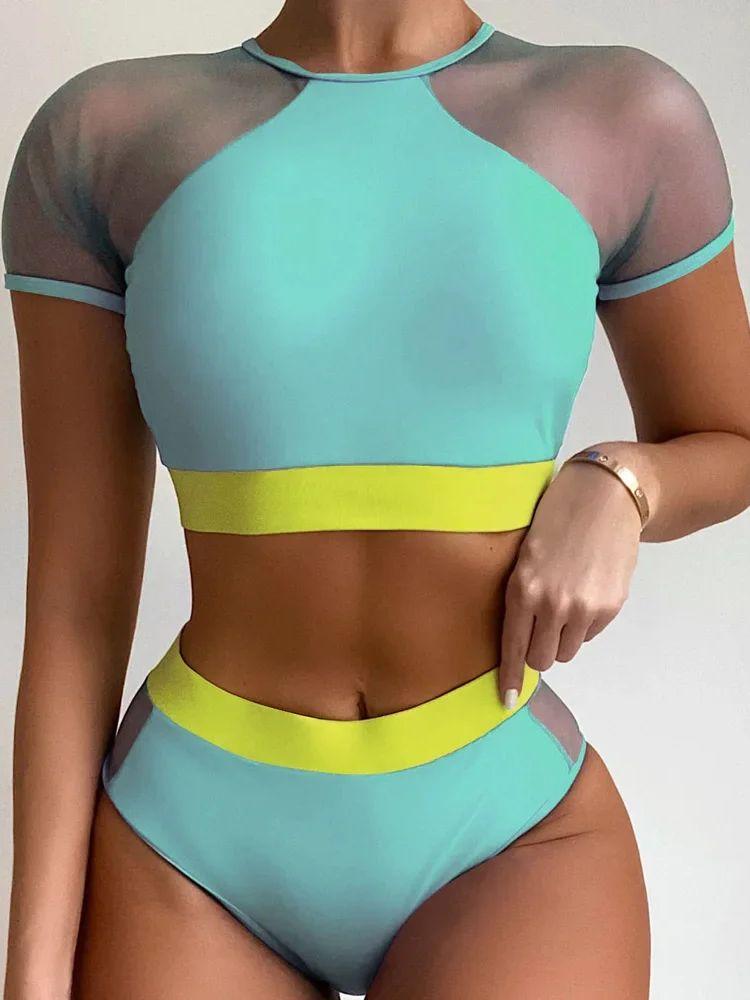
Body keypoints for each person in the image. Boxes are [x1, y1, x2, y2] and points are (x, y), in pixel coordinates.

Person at [3, 2, 749, 998]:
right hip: (188, 843)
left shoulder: (625, 114)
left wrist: (623, 482)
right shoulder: (101, 136)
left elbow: (733, 439)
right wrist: (30, 976)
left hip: (510, 833)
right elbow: (72, 601)